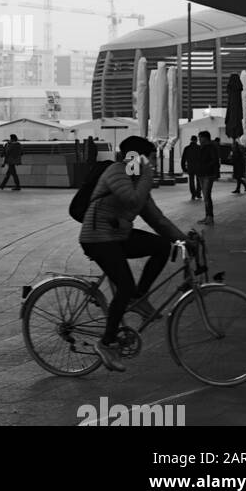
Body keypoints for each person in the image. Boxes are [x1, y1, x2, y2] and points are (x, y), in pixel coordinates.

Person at [79, 135, 191, 372]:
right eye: (151, 159)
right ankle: (106, 343)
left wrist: (185, 241)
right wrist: (147, 176)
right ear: (137, 158)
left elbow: (157, 220)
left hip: (117, 236)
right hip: (97, 238)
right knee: (124, 285)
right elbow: (132, 201)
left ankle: (137, 298)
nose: (154, 163)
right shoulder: (116, 172)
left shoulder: (138, 180)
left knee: (162, 246)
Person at [194, 130, 220, 225]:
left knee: (207, 196)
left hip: (208, 174)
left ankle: (210, 217)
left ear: (205, 138)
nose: (199, 139)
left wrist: (205, 167)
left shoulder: (211, 148)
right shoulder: (202, 147)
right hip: (201, 174)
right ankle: (207, 216)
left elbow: (214, 160)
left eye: (200, 137)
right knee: (206, 196)